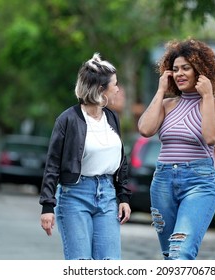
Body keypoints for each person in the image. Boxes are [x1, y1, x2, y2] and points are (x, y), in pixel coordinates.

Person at [138, 39, 215, 260]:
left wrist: (207, 95)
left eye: (186, 68)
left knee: (182, 251)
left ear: (201, 70)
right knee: (170, 254)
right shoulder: (167, 105)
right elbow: (145, 129)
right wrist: (161, 91)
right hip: (163, 181)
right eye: (175, 69)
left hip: (199, 182)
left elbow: (211, 136)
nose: (179, 73)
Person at [39, 53, 132, 260]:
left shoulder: (111, 118)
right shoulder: (68, 119)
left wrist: (123, 197)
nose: (117, 89)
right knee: (80, 263)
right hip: (75, 196)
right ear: (101, 89)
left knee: (109, 262)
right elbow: (53, 164)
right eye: (115, 84)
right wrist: (47, 205)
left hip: (107, 197)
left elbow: (121, 160)